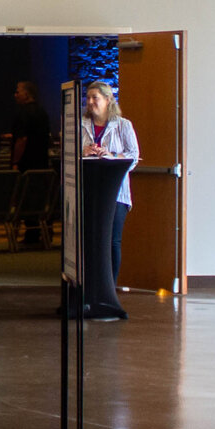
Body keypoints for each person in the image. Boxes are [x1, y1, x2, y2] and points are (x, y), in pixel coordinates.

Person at [80, 80, 138, 321]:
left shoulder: (123, 125)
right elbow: (68, 153)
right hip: (88, 191)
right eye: (89, 97)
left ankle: (108, 290)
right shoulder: (80, 125)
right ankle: (87, 293)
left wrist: (112, 156)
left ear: (108, 101)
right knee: (89, 241)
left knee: (111, 241)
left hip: (116, 193)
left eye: (96, 98)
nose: (91, 102)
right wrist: (84, 152)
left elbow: (134, 156)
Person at [10, 80, 52, 244]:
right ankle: (42, 231)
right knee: (40, 198)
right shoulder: (42, 112)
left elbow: (22, 139)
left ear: (27, 94)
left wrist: (15, 161)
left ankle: (31, 235)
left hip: (26, 164)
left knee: (25, 199)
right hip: (41, 162)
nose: (15, 95)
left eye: (18, 91)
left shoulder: (23, 113)